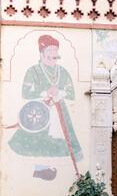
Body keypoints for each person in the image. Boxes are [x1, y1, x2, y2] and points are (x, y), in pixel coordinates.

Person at [8, 35, 82, 164]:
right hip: (39, 111)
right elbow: (25, 93)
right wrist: (44, 93)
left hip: (60, 110)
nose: (54, 54)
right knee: (30, 143)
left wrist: (59, 92)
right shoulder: (33, 71)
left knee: (65, 141)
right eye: (50, 51)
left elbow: (71, 94)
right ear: (41, 53)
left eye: (55, 50)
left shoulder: (63, 71)